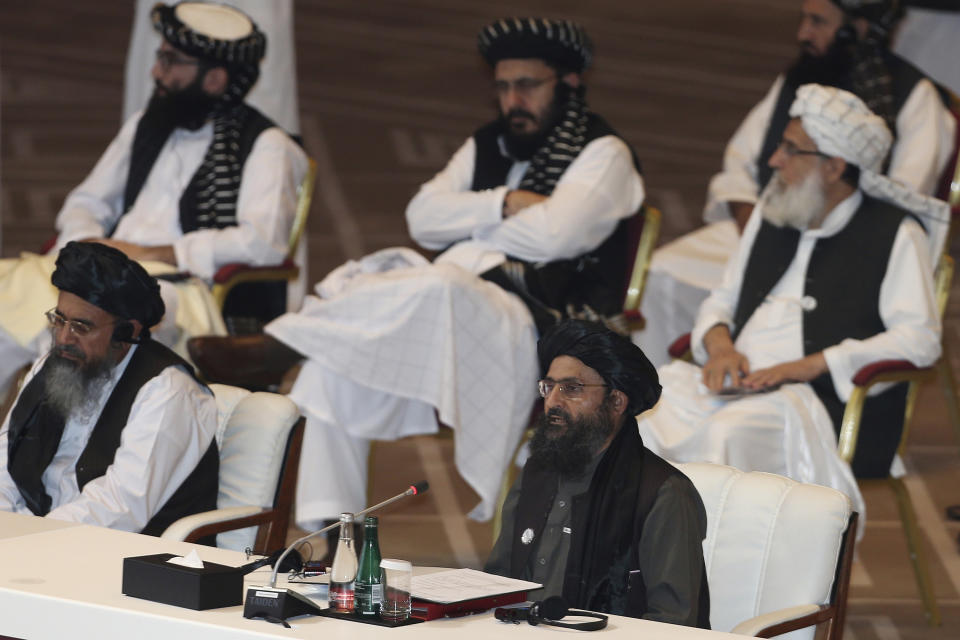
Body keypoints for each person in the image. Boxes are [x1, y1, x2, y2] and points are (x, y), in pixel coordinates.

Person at [189, 17, 645, 529]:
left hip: (540, 328)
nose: (512, 100)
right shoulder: (488, 145)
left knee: (440, 281)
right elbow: (423, 218)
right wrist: (506, 203)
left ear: (569, 83)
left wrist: (471, 222)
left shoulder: (605, 154)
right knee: (329, 373)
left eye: (527, 85)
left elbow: (556, 236)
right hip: (451, 322)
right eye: (502, 87)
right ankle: (333, 537)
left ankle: (280, 346)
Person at [637, 85, 948, 520]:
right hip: (736, 387)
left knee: (726, 436)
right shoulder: (774, 209)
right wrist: (721, 345)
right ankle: (639, 572)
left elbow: (920, 341)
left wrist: (810, 365)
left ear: (835, 166)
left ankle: (708, 577)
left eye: (790, 149)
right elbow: (723, 297)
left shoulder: (894, 234)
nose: (773, 160)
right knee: (640, 418)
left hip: (814, 404)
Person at [0, 1, 308, 395]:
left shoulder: (266, 146)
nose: (155, 71)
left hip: (178, 288)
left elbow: (263, 243)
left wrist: (150, 253)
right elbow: (86, 201)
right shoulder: (148, 123)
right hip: (94, 269)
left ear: (214, 78)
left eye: (169, 60)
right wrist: (85, 249)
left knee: (75, 334)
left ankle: (57, 447)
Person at [636, 0, 954, 367]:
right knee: (660, 276)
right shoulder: (799, 78)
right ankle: (665, 388)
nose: (803, 33)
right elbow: (740, 164)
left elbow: (901, 198)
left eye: (817, 21)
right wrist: (760, 235)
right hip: (771, 224)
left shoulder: (915, 97)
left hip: (850, 257)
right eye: (803, 18)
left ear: (860, 26)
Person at [485, 320, 710, 627]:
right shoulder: (536, 474)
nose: (553, 401)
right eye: (548, 387)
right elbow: (496, 584)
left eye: (571, 389)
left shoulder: (663, 494)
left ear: (616, 401)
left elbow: (674, 623)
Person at [0, 242, 219, 534]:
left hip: (127, 558)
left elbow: (119, 508)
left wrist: (27, 537)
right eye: (60, 320)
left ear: (126, 333)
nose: (64, 337)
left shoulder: (168, 392)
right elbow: (6, 460)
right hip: (39, 538)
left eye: (82, 326)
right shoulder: (51, 367)